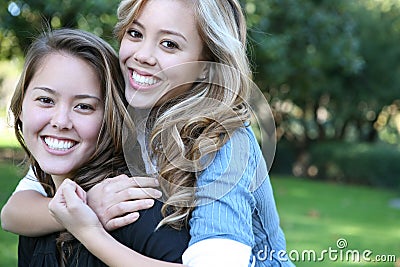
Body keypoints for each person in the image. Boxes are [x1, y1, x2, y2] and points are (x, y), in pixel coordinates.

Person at [2, 1, 295, 266]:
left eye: (168, 44)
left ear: (208, 66)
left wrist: (89, 230)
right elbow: (14, 211)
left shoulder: (224, 141)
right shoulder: (124, 110)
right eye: (135, 33)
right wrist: (87, 204)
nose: (142, 55)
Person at [6, 28, 190, 266]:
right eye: (46, 100)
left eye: (84, 106)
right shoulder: (39, 219)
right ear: (21, 108)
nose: (60, 121)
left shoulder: (136, 207)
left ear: (111, 118)